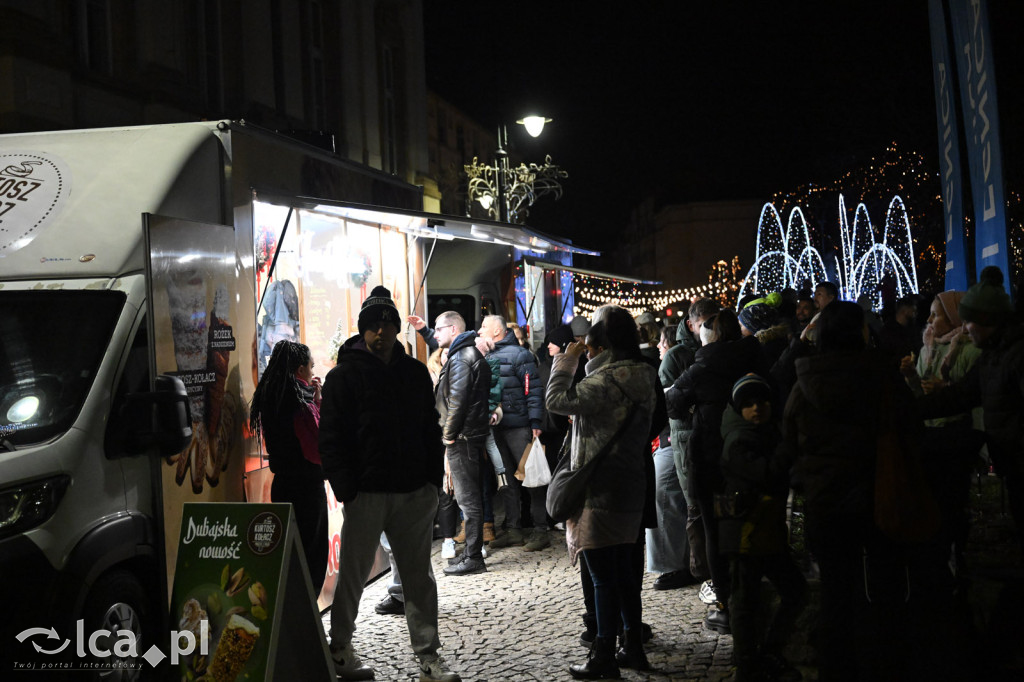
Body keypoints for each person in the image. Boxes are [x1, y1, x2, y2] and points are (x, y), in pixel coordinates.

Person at [319, 286, 460, 682]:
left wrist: (432, 480)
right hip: (366, 494)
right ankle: (341, 648)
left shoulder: (414, 372)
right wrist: (348, 490)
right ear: (363, 330)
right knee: (352, 575)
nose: (381, 332)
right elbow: (331, 438)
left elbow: (429, 429)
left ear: (397, 329)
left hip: (414, 491)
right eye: (373, 325)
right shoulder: (343, 377)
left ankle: (428, 656)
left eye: (387, 324)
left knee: (419, 578)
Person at [783, 300, 918, 681]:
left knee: (835, 590)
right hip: (878, 495)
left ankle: (836, 667)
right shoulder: (881, 376)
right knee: (883, 586)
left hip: (826, 502)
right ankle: (884, 662)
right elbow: (910, 427)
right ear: (860, 332)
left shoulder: (804, 382)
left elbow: (790, 441)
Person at [546, 308, 659, 679]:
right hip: (633, 482)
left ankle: (604, 657)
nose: (588, 354)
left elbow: (556, 401)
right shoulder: (645, 373)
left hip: (600, 489)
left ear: (602, 348)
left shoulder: (606, 381)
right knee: (626, 573)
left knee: (602, 577)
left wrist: (567, 360)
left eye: (591, 348)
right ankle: (634, 648)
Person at [666, 308, 770, 635]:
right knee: (751, 524)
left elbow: (673, 404)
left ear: (709, 336)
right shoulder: (757, 357)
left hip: (711, 459)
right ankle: (752, 600)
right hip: (751, 456)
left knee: (715, 531)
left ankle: (725, 605)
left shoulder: (702, 366)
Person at [918, 267, 1024, 560]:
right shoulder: (993, 354)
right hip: (1013, 463)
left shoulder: (1016, 355)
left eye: (968, 322)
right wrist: (910, 409)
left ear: (988, 321)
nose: (963, 329)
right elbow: (961, 395)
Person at [720, 374, 806, 682]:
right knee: (745, 600)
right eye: (749, 404)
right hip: (746, 534)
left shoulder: (764, 432)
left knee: (794, 591)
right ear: (738, 408)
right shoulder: (739, 440)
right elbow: (768, 473)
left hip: (766, 532)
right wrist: (788, 446)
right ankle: (748, 664)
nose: (758, 408)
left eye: (763, 401)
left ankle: (768, 653)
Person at [248, 340, 327, 594]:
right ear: (301, 369)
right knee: (311, 556)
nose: (313, 372)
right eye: (311, 366)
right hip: (306, 488)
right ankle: (309, 624)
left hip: (281, 486)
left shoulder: (271, 396)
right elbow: (317, 449)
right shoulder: (300, 402)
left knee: (291, 554)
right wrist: (318, 403)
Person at [478, 314, 550, 552]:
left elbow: (533, 390)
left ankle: (540, 530)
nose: (480, 330)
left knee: (532, 479)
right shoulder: (487, 354)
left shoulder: (520, 355)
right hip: (497, 430)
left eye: (484, 327)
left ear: (497, 331)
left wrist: (535, 422)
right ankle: (514, 530)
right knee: (506, 481)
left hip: (520, 428)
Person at [434, 310, 492, 575]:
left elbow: (457, 403)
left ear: (453, 329)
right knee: (468, 498)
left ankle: (473, 557)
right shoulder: (465, 355)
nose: (435, 335)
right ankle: (470, 553)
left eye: (438, 329)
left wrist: (447, 437)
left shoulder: (461, 358)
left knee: (468, 501)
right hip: (468, 436)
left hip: (462, 437)